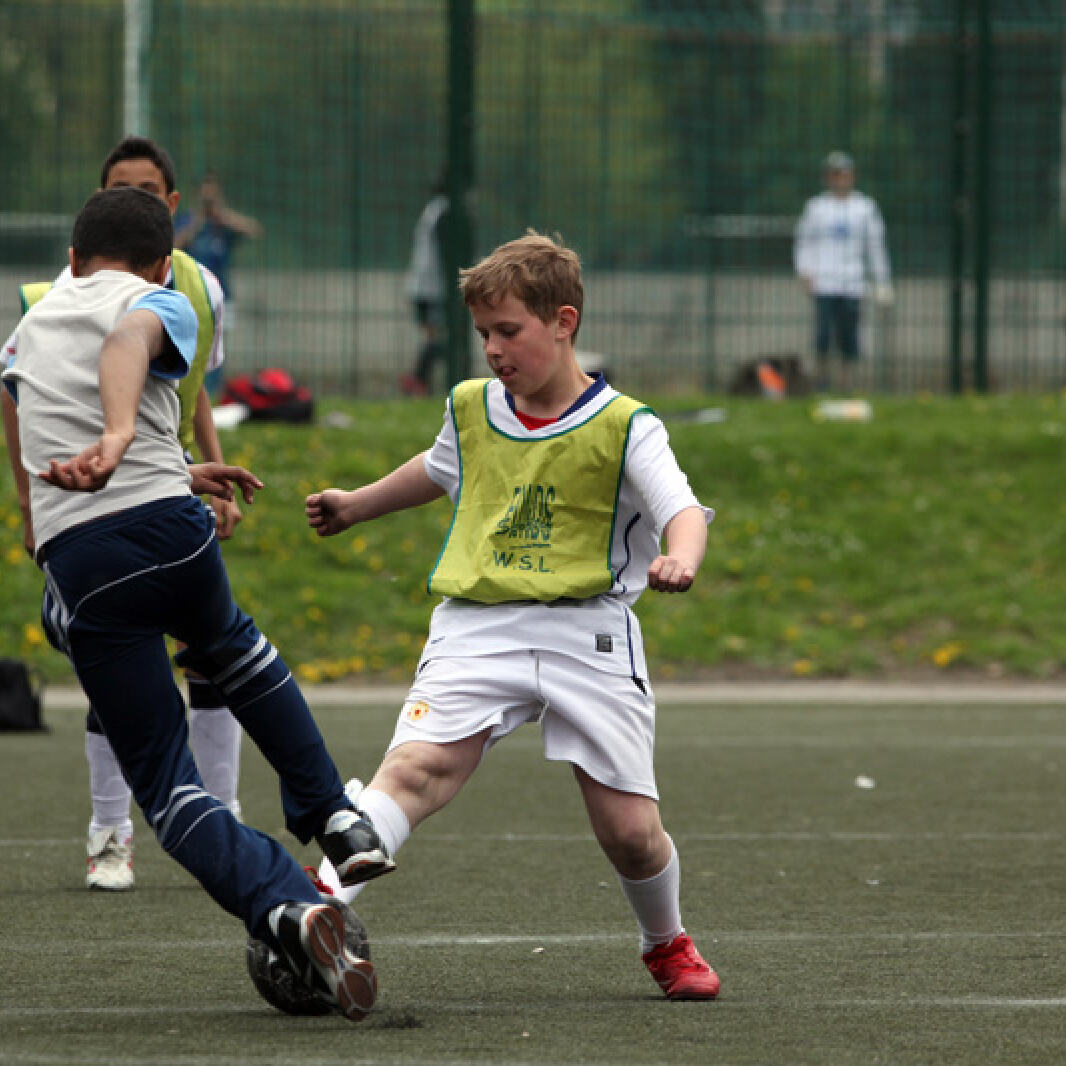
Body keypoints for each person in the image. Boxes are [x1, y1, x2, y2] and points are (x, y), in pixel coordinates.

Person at [1, 186, 393, 1021]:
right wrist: (127, 442)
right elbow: (128, 342)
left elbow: (36, 405)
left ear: (71, 260)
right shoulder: (159, 299)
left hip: (86, 564)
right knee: (234, 649)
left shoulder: (29, 325)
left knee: (165, 783)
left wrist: (137, 462)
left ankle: (284, 904)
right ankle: (335, 814)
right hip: (171, 534)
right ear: (159, 264)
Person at [305, 231, 721, 1001]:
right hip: (478, 624)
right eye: (483, 334)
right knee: (415, 771)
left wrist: (681, 556)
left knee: (631, 835)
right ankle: (310, 911)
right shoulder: (471, 406)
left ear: (563, 323)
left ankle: (665, 942)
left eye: (508, 331)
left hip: (587, 632)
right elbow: (438, 468)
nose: (493, 350)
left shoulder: (626, 423)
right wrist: (356, 505)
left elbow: (681, 507)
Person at [1, 136, 244, 892]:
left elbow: (188, 388)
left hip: (165, 487)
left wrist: (214, 475)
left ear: (169, 205)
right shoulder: (58, 292)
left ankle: (227, 817)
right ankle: (110, 832)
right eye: (118, 188)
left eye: (146, 188)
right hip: (86, 493)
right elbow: (12, 390)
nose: (133, 198)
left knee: (212, 656)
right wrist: (29, 503)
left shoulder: (198, 288)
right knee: (117, 662)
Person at [793, 150, 894, 392]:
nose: (840, 180)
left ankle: (847, 383)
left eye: (844, 175)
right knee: (822, 335)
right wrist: (805, 270)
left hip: (852, 282)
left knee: (849, 335)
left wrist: (882, 280)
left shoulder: (865, 208)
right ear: (828, 178)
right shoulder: (817, 207)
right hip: (824, 282)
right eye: (835, 175)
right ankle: (822, 383)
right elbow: (804, 241)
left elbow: (875, 246)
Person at [399, 181, 448, 396]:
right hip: (432, 288)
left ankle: (419, 381)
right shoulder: (443, 212)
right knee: (438, 338)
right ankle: (418, 381)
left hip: (426, 286)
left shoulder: (434, 210)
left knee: (434, 338)